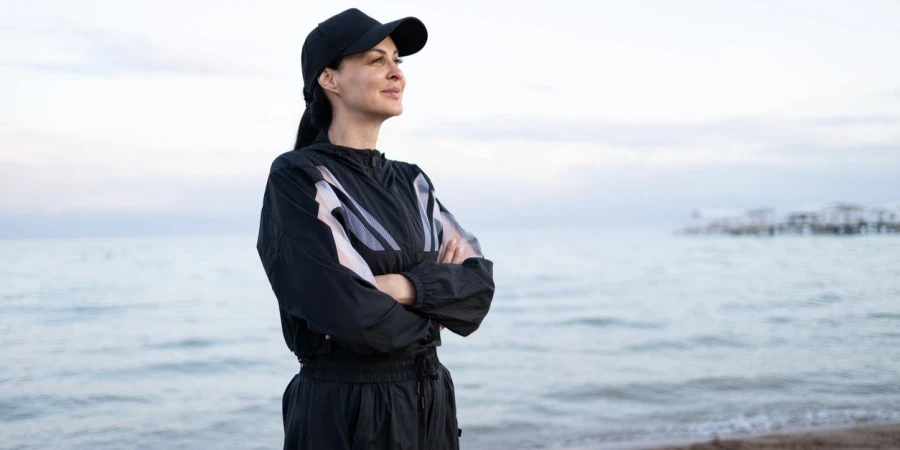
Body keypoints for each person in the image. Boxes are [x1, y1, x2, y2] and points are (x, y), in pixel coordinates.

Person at [255, 8, 496, 450]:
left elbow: (478, 287)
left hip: (430, 404)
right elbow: (341, 310)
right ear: (329, 79)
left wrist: (397, 286)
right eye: (375, 60)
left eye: (397, 61)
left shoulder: (413, 181)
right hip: (348, 412)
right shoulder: (299, 177)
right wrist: (436, 314)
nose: (395, 74)